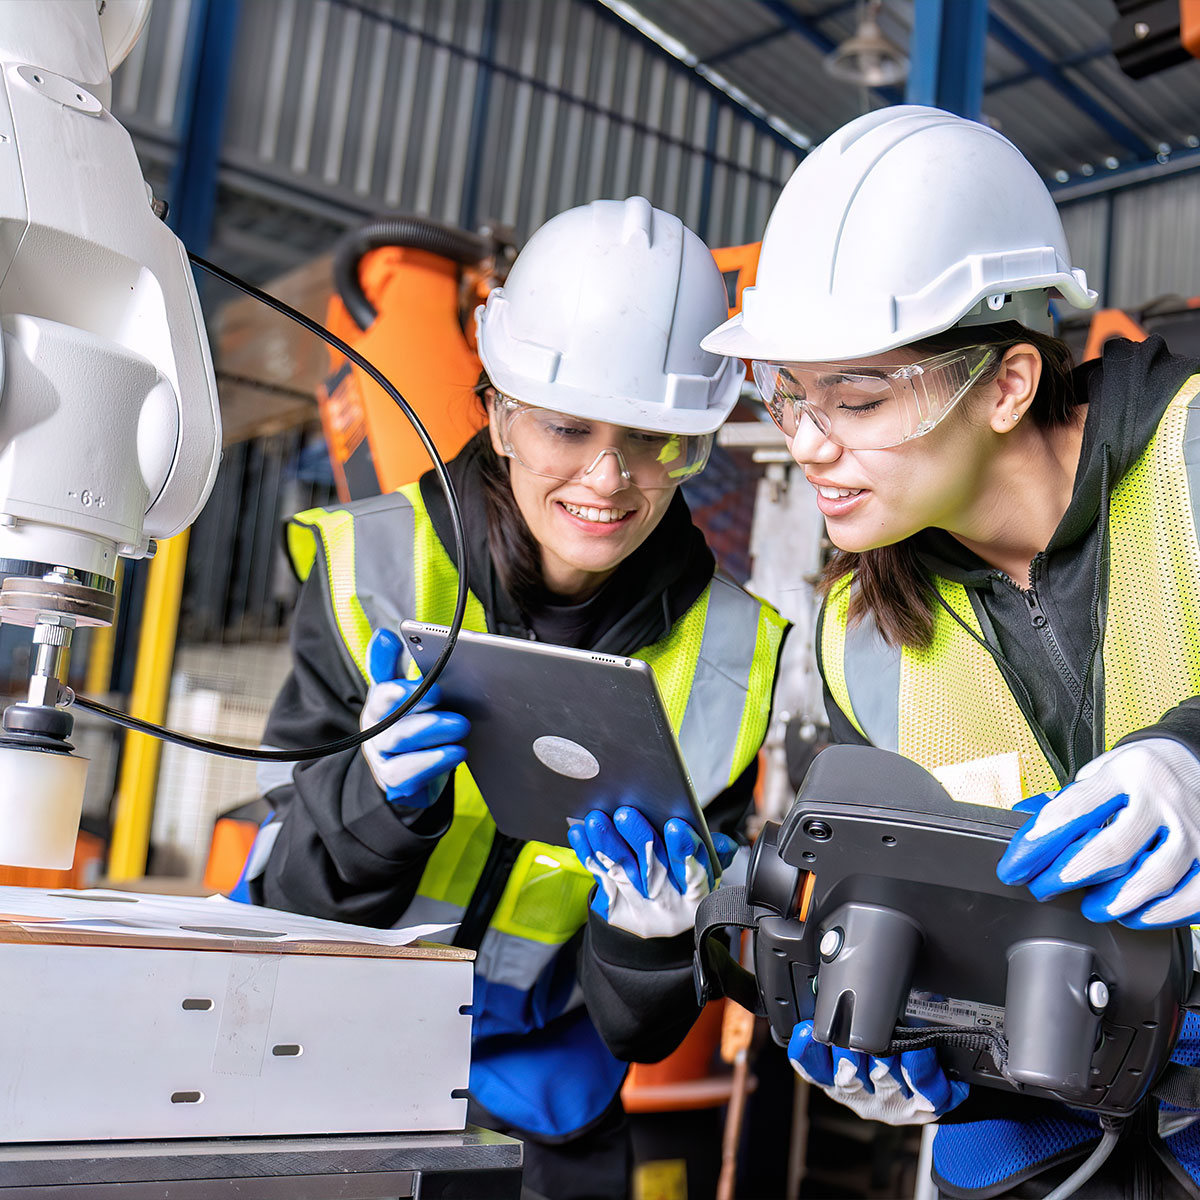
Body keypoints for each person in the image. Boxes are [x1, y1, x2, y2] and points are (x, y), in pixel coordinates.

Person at [697, 104, 1200, 1199]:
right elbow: (906, 912)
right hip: (1033, 1154)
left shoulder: (1193, 458)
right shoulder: (860, 638)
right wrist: (900, 1045)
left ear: (1009, 383)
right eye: (787, 393)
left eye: (859, 396)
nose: (810, 441)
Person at [241, 196, 788, 1200]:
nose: (609, 477)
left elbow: (643, 1026)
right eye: (567, 427)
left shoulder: (731, 656)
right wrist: (371, 801)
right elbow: (284, 909)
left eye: (659, 437)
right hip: (316, 1075)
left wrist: (652, 938)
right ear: (496, 413)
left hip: (545, 1124)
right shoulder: (374, 570)